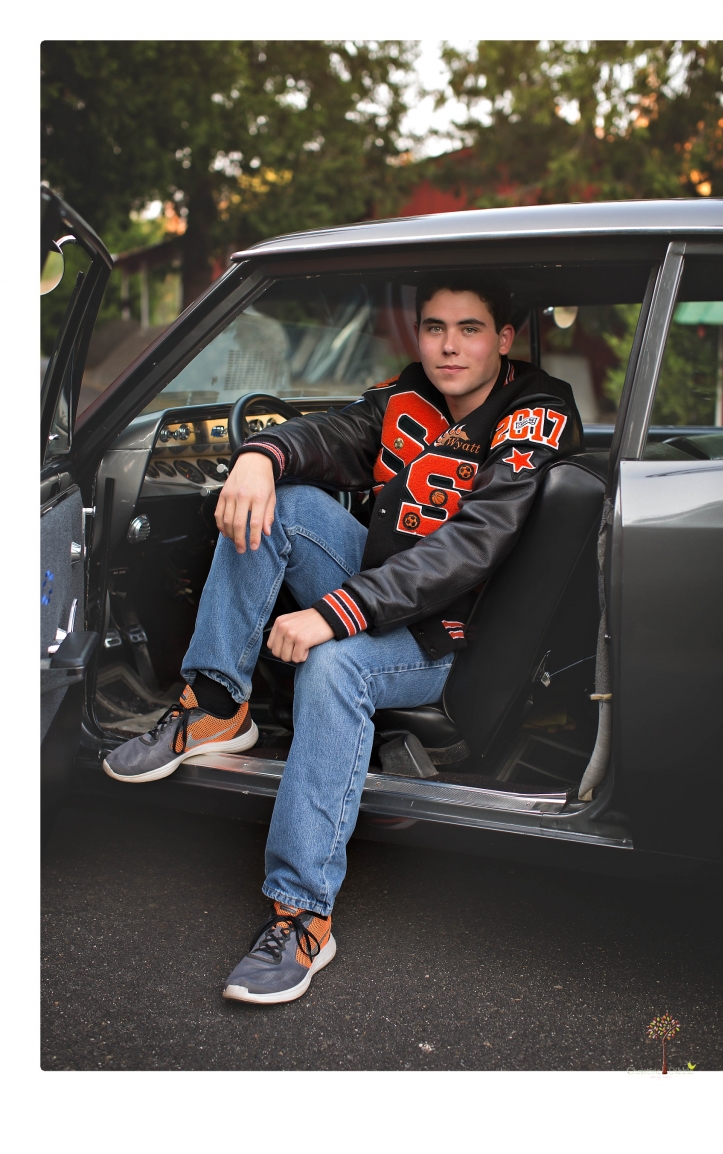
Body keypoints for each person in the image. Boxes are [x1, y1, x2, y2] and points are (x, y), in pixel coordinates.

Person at [103, 274, 582, 1004]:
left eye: (470, 329)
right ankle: (215, 703)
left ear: (505, 338)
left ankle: (301, 916)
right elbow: (327, 435)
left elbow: (473, 547)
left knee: (332, 665)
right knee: (282, 503)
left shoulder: (533, 414)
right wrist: (259, 457)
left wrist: (338, 613)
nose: (448, 346)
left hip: (451, 634)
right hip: (385, 591)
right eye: (433, 327)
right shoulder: (407, 394)